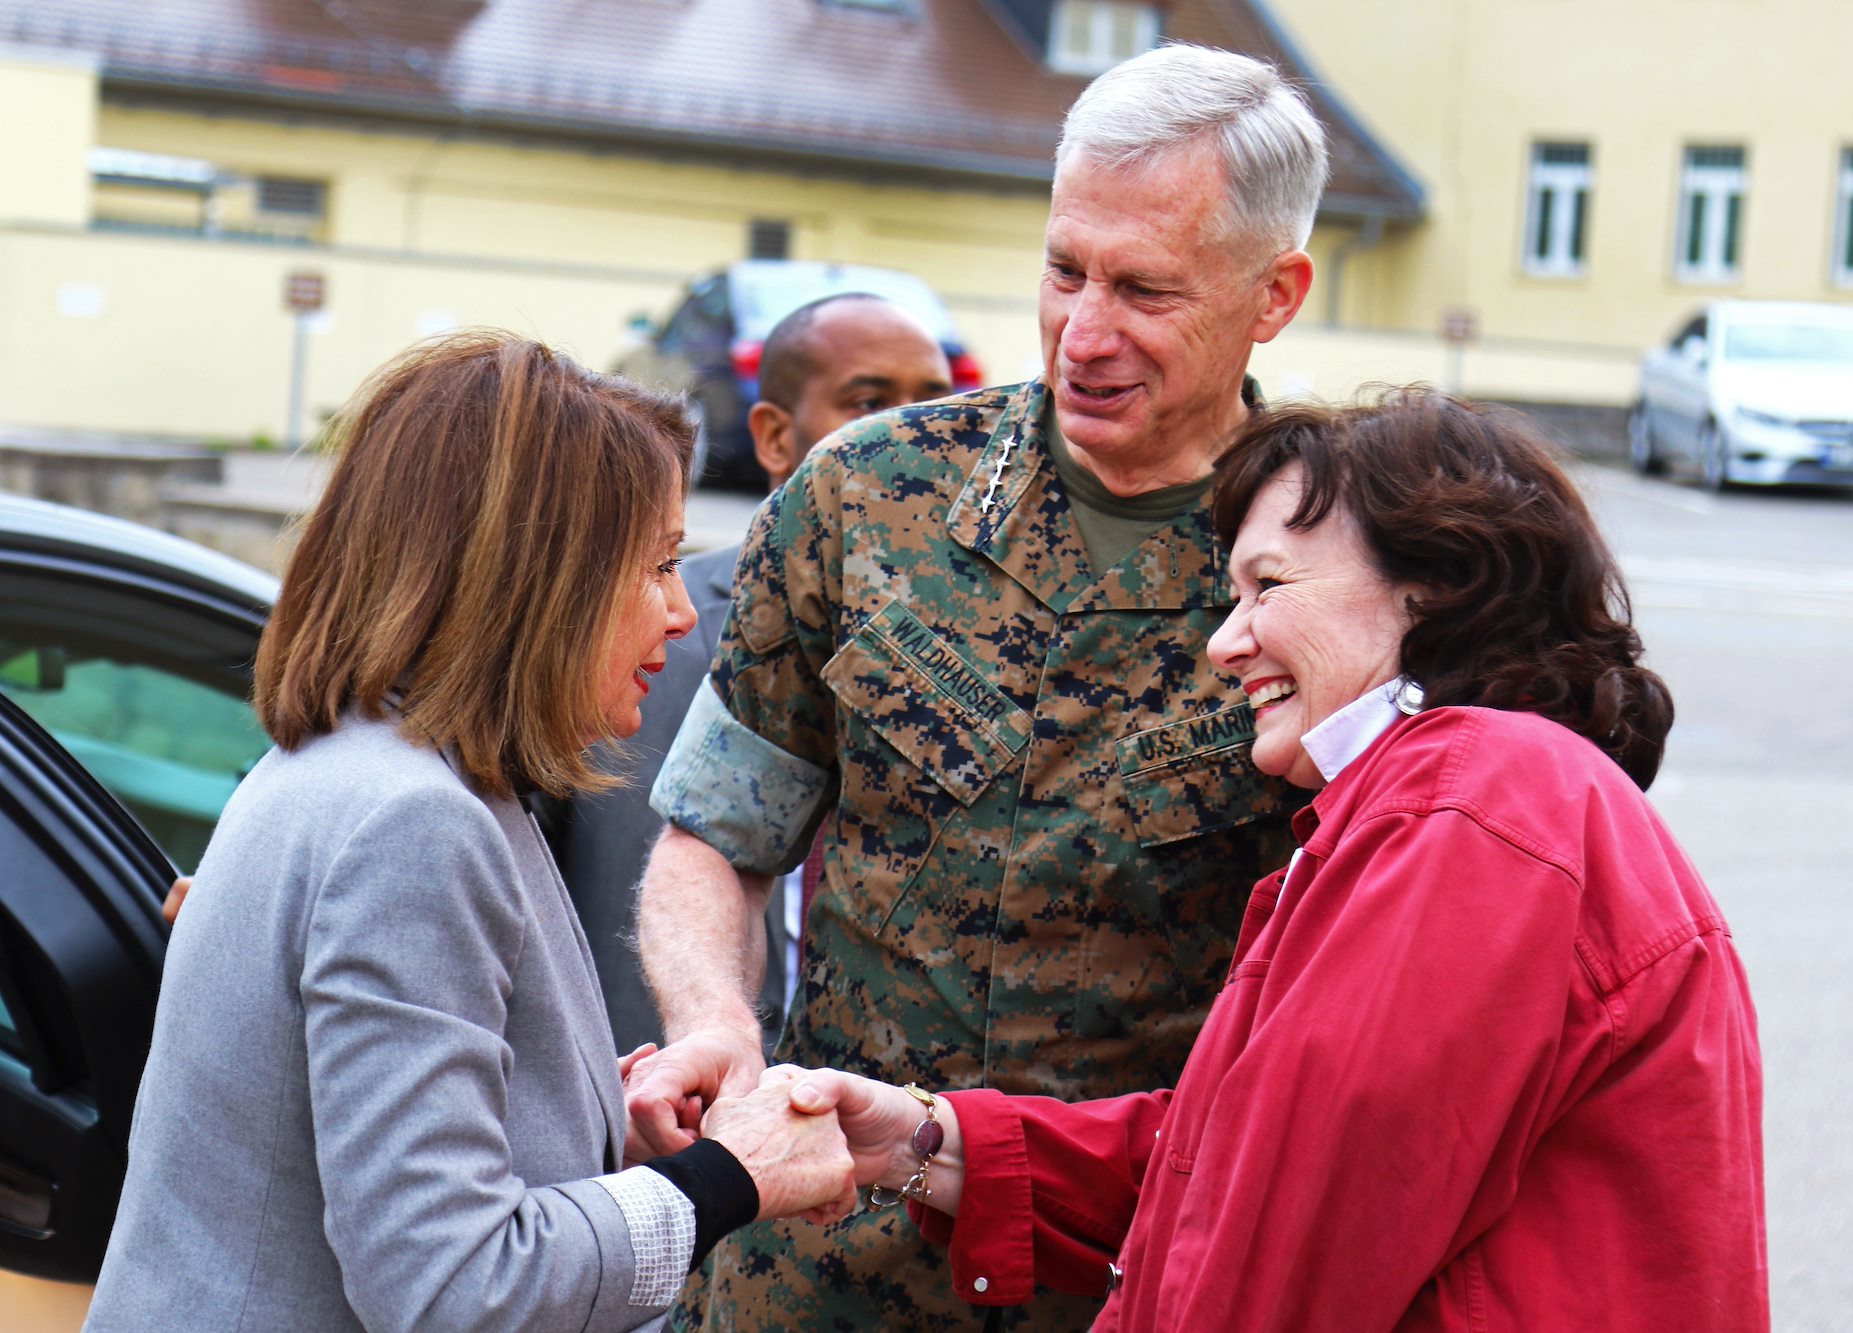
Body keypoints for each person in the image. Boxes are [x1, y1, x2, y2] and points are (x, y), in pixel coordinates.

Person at [775, 392, 1771, 1330]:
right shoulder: (1464, 795)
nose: (1225, 642)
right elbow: (1226, 1165)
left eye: (1269, 587)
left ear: (1433, 589)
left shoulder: (1472, 801)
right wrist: (920, 1139)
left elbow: (1292, 1239)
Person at [627, 42, 1324, 1328]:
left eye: (1145, 289)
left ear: (1271, 294)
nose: (1084, 334)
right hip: (819, 1261)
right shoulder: (867, 493)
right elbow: (716, 834)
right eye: (1063, 271)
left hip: (1126, 1271)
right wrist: (712, 1016)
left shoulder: (1340, 562)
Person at [86, 333, 857, 1332]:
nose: (679, 612)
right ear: (539, 578)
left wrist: (591, 1123)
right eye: (657, 564)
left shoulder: (356, 767)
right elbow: (454, 1287)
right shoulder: (414, 824)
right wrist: (730, 1177)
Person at [543, 293, 952, 1058]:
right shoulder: (633, 629)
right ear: (773, 435)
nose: (909, 434)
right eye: (868, 402)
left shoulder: (975, 657)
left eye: (935, 405)